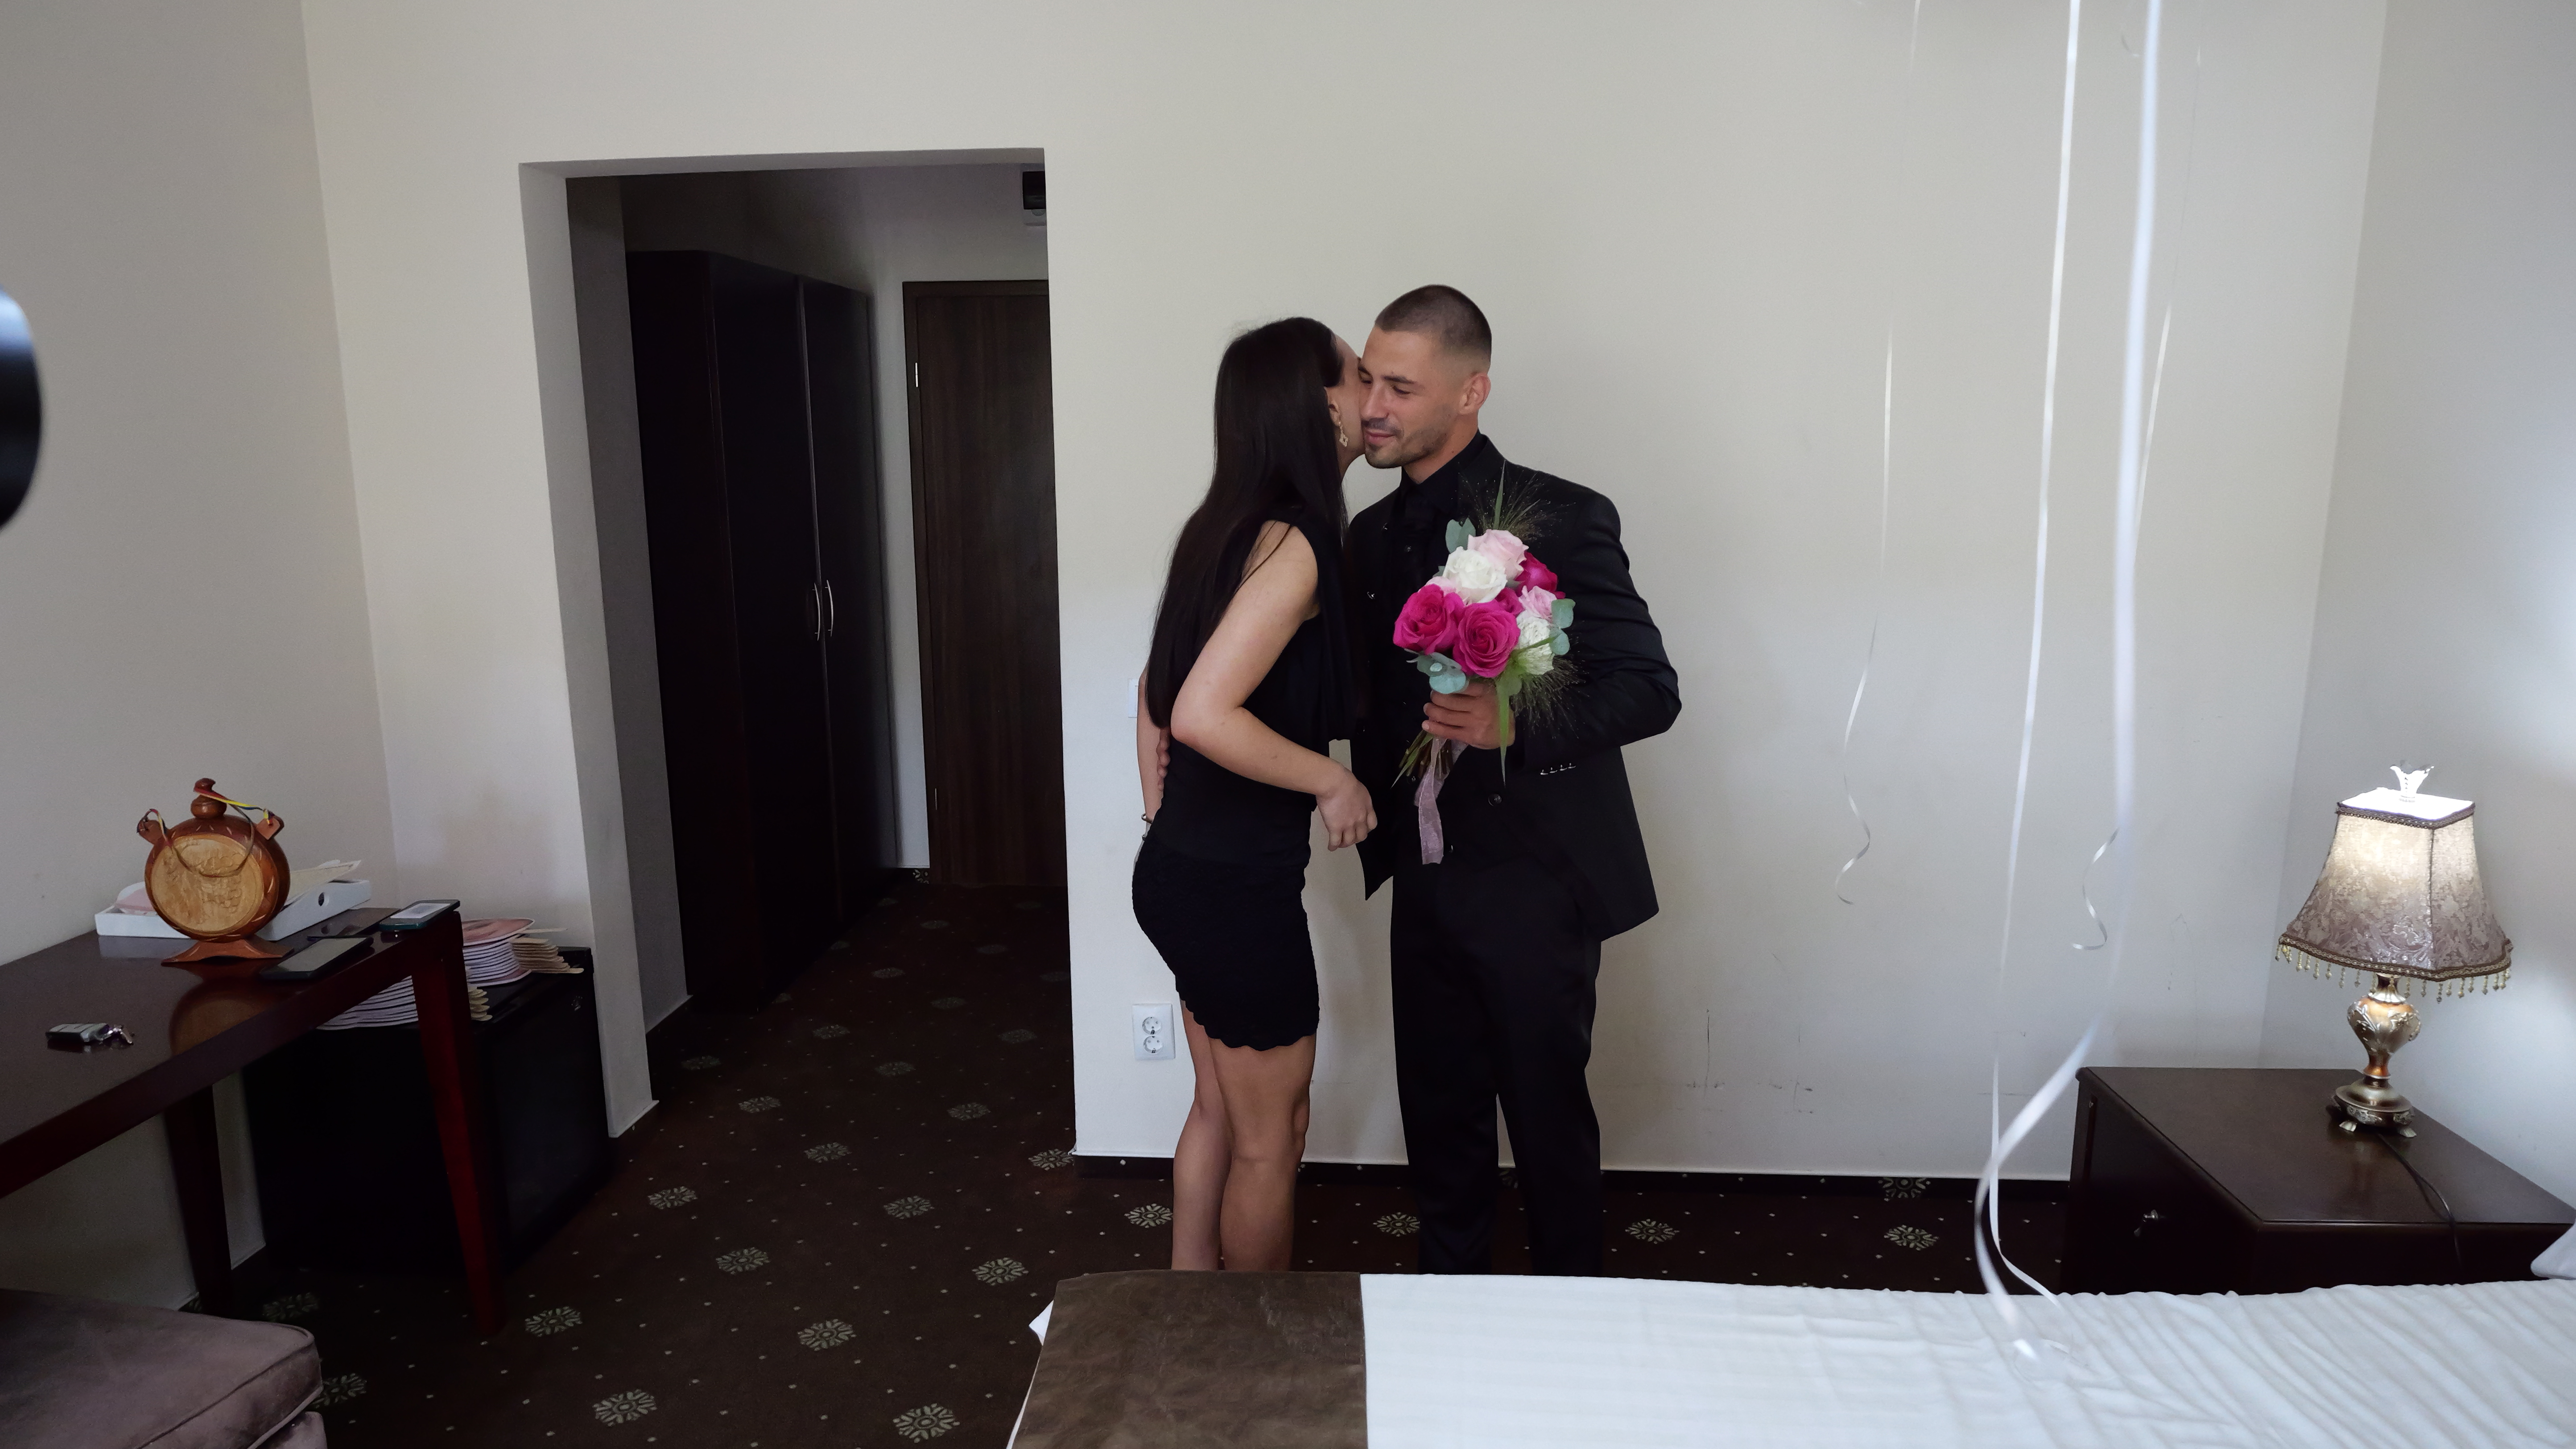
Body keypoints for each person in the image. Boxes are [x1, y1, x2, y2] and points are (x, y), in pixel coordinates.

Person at [1349, 286, 1679, 1276]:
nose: (1373, 406)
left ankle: (1571, 1322)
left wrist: (1513, 723)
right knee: (1437, 1122)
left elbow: (1648, 689)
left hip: (1538, 872)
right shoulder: (1366, 536)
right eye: (1367, 380)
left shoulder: (1559, 514)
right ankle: (1445, 1322)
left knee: (1546, 1124)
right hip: (1422, 871)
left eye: (1400, 387)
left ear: (1471, 392)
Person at [1133, 316, 1376, 1271]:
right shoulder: (1298, 545)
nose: (1374, 394)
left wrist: (1165, 821)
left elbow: (1153, 693)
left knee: (1217, 1111)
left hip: (1183, 874)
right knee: (1274, 1137)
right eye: (1359, 375)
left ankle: (1190, 1314)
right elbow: (1198, 712)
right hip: (1231, 890)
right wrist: (1329, 778)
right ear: (1320, 405)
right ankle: (1248, 1343)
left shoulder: (1222, 528)